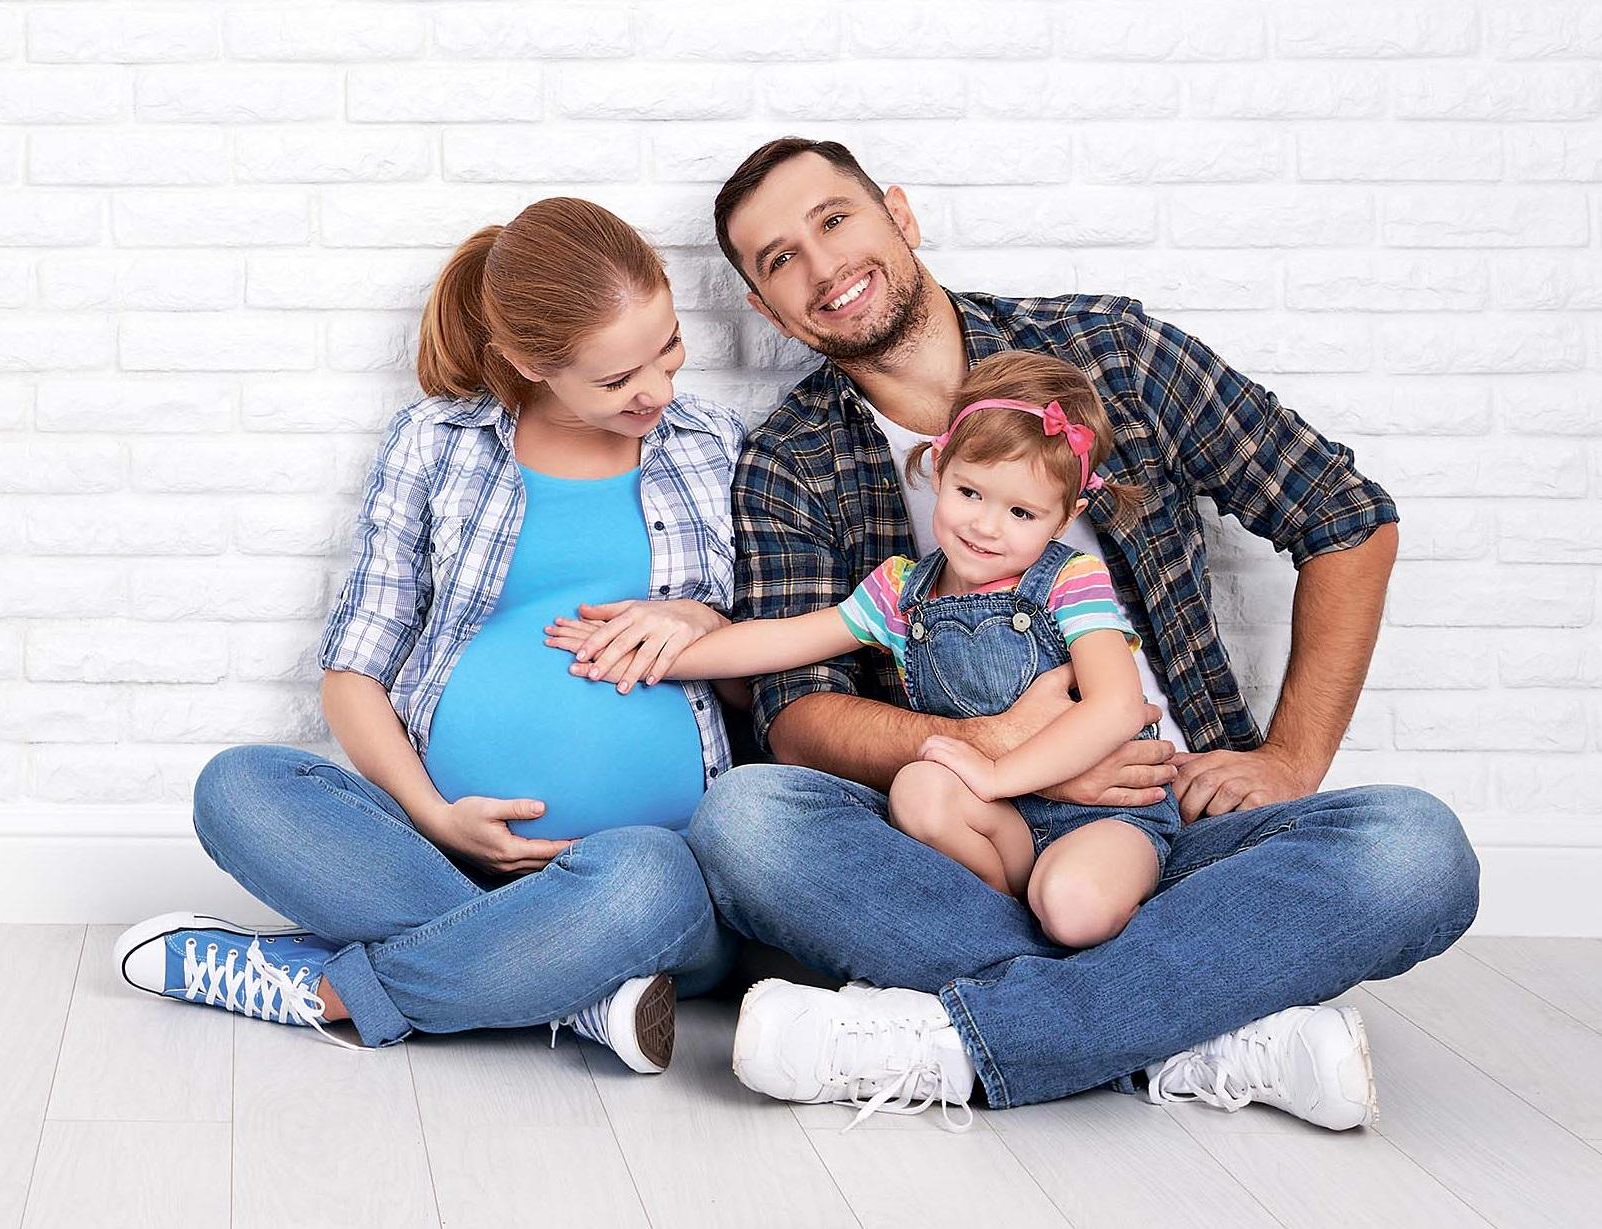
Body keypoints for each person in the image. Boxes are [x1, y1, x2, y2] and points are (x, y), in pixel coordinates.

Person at [680, 137, 1481, 1131]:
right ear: (765, 308)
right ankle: (1196, 1027)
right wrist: (996, 748)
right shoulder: (790, 460)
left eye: (834, 219)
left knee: (1416, 850)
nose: (822, 264)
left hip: (1172, 820)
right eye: (780, 259)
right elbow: (797, 715)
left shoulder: (1110, 353)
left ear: (900, 214)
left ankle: (957, 1039)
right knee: (746, 820)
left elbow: (1342, 513)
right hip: (971, 848)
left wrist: (1289, 759)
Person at [111, 198, 746, 1073]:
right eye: (615, 380)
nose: (659, 391)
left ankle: (337, 992)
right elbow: (353, 672)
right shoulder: (436, 443)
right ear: (529, 362)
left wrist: (702, 622)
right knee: (238, 786)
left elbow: (759, 691)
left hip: (643, 886)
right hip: (434, 854)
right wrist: (435, 816)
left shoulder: (713, 445)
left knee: (649, 877)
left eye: (668, 347)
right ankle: (569, 990)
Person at [553, 350, 1179, 953]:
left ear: (1066, 517)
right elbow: (783, 640)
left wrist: (999, 773)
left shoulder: (1071, 582)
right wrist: (653, 653)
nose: (986, 526)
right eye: (970, 493)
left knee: (1072, 907)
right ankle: (1003, 947)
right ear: (939, 466)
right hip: (995, 821)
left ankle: (1026, 954)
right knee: (918, 788)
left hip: (1103, 813)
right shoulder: (902, 589)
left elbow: (1116, 707)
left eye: (1021, 512)